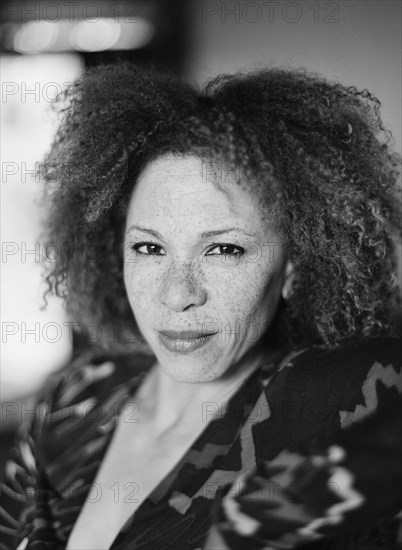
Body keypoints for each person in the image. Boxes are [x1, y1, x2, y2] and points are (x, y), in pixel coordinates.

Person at [0, 64, 401, 550]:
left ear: (295, 265)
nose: (177, 294)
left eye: (224, 249)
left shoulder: (339, 400)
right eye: (149, 248)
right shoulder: (73, 398)